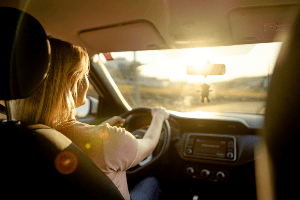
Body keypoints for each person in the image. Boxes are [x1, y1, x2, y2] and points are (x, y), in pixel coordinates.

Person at [13, 37, 169, 200]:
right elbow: (149, 144)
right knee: (153, 182)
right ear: (74, 82)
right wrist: (159, 117)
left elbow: (83, 145)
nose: (87, 81)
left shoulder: (22, 135)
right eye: (85, 74)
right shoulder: (110, 141)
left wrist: (102, 128)